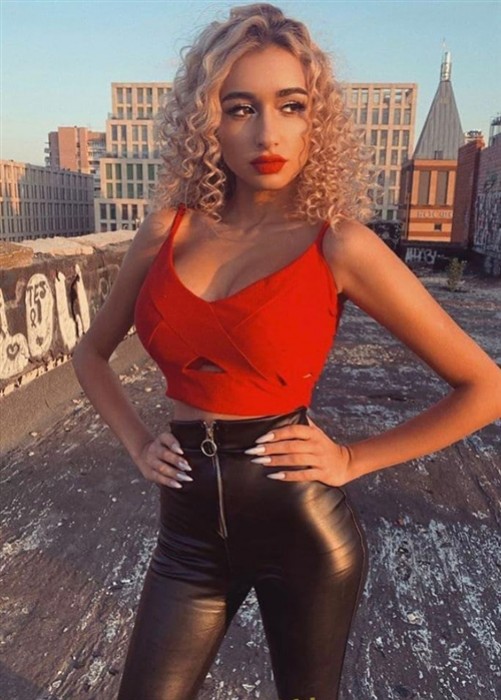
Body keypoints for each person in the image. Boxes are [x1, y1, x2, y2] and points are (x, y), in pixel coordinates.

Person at [72, 4, 501, 699]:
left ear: (315, 121)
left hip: (302, 534)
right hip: (186, 539)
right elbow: (90, 355)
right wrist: (138, 443)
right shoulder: (167, 230)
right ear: (208, 121)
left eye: (291, 106)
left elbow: (484, 386)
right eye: (240, 107)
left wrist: (353, 459)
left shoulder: (340, 243)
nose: (267, 132)